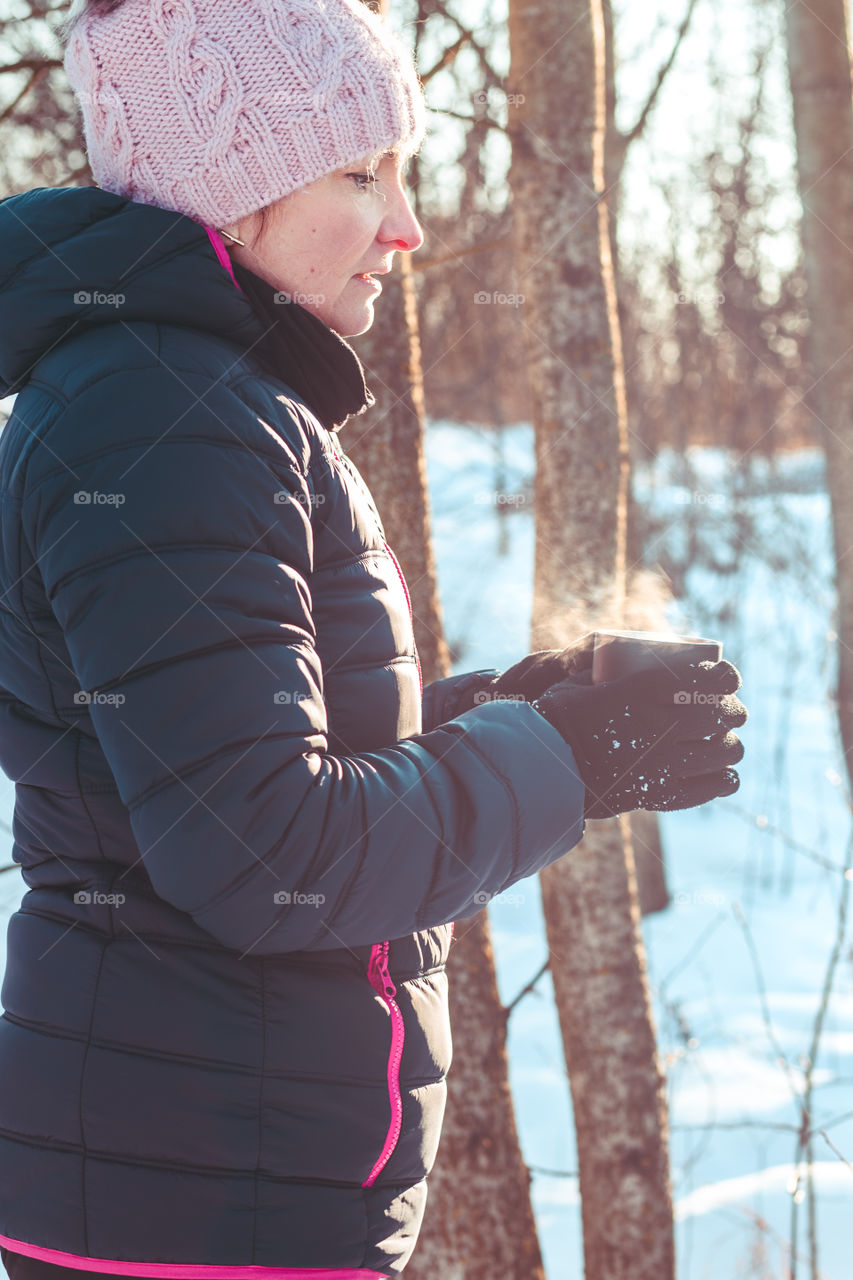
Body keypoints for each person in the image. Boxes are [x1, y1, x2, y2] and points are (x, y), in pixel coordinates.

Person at [0, 1, 748, 1277]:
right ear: (229, 197)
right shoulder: (168, 412)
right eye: (361, 173)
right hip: (203, 1204)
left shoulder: (177, 393)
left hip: (193, 1178)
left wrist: (529, 702)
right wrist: (568, 758)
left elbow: (230, 762)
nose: (406, 224)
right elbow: (268, 850)